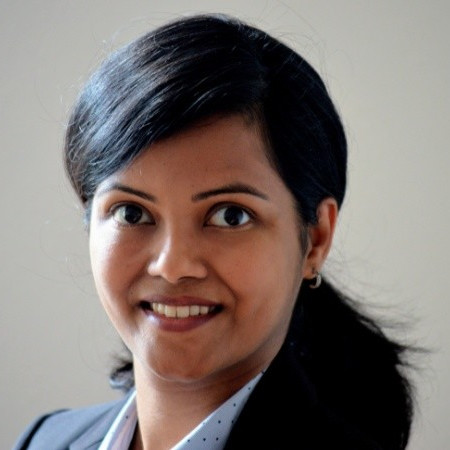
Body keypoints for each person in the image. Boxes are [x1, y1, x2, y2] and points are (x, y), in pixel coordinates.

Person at [13, 13, 414, 450]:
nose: (172, 265)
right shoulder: (43, 440)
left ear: (315, 239)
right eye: (131, 212)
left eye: (229, 215)